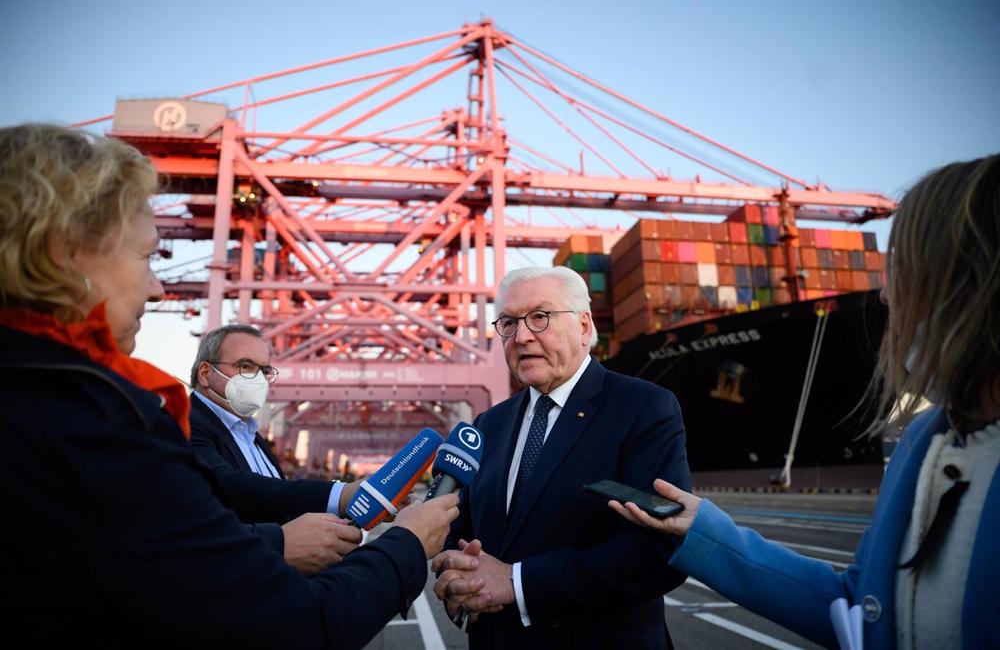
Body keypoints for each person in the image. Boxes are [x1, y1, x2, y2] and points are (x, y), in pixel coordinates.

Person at [0, 123, 459, 648]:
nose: (156, 286)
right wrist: (406, 543)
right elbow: (300, 625)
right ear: (66, 251)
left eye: (266, 371)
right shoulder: (92, 428)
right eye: (147, 255)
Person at [609, 155, 1000, 649]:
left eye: (902, 269)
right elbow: (860, 607)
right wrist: (703, 531)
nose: (882, 297)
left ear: (968, 285)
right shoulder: (924, 442)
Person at [431, 266, 691, 649]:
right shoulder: (488, 425)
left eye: (540, 317)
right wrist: (460, 576)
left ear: (584, 327)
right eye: (508, 322)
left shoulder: (645, 408)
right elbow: (459, 530)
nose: (521, 336)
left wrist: (515, 583)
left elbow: (659, 552)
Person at [189, 323, 362, 572]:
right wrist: (339, 495)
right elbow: (228, 485)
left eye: (265, 370)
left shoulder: (250, 435)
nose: (258, 379)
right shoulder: (185, 423)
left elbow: (274, 500)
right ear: (205, 374)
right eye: (246, 366)